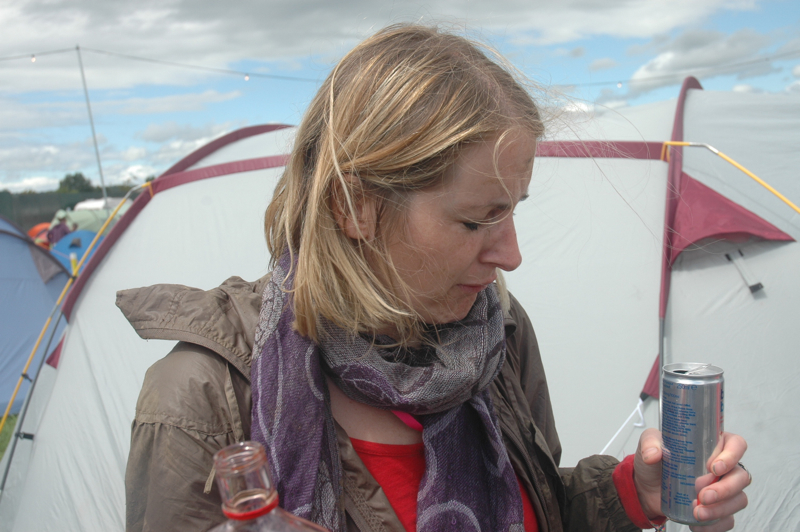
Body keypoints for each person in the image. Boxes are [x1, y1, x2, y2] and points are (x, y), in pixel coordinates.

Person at [118, 24, 750, 532]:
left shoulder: (496, 332)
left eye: (513, 210)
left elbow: (531, 505)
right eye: (477, 220)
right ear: (355, 207)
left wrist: (631, 494)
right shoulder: (202, 400)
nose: (511, 256)